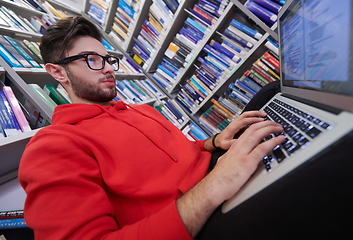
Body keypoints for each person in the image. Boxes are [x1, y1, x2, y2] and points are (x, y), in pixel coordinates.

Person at [18, 16, 284, 240]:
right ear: (58, 73)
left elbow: (175, 155)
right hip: (197, 216)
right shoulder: (53, 145)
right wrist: (218, 183)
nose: (109, 68)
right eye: (92, 60)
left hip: (217, 169)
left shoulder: (137, 109)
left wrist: (213, 141)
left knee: (272, 93)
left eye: (108, 59)